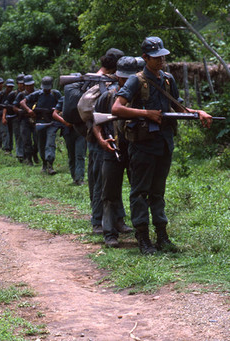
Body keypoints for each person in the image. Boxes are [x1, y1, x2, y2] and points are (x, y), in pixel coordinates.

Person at [112, 36, 213, 254]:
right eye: (156, 58)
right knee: (140, 192)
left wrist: (198, 112)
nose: (161, 61)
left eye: (163, 57)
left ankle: (162, 237)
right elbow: (116, 109)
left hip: (164, 144)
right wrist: (146, 113)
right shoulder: (135, 81)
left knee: (158, 192)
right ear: (145, 58)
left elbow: (178, 107)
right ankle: (143, 239)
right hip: (142, 145)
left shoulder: (168, 80)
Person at [92, 56, 138, 247]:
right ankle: (109, 233)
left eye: (130, 78)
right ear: (117, 77)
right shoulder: (107, 96)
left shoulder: (142, 95)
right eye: (122, 78)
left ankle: (140, 231)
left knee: (138, 192)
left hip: (136, 149)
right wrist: (102, 141)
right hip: (113, 150)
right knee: (109, 193)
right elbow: (96, 122)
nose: (126, 82)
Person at [86, 48, 124, 235]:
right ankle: (97, 222)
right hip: (99, 137)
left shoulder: (110, 80)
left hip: (110, 135)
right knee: (100, 182)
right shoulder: (97, 81)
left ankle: (118, 219)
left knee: (112, 180)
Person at [21, 76, 62, 175]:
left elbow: (62, 104)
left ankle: (50, 164)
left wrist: (59, 113)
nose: (46, 90)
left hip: (52, 124)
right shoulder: (37, 94)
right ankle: (44, 163)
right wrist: (29, 110)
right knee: (41, 144)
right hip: (40, 123)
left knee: (50, 144)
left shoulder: (56, 94)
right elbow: (22, 102)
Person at [13, 74, 38, 166]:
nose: (29, 87)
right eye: (27, 85)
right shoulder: (21, 94)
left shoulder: (38, 93)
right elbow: (14, 107)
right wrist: (21, 111)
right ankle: (29, 158)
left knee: (37, 139)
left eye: (31, 85)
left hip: (36, 119)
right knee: (26, 140)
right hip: (24, 119)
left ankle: (35, 153)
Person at [0, 78, 16, 155]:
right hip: (3, 114)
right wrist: (2, 116)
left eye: (11, 87)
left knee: (11, 132)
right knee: (4, 132)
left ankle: (10, 148)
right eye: (9, 87)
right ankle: (6, 148)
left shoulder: (14, 94)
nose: (10, 88)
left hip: (12, 115)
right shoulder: (1, 94)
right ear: (6, 86)